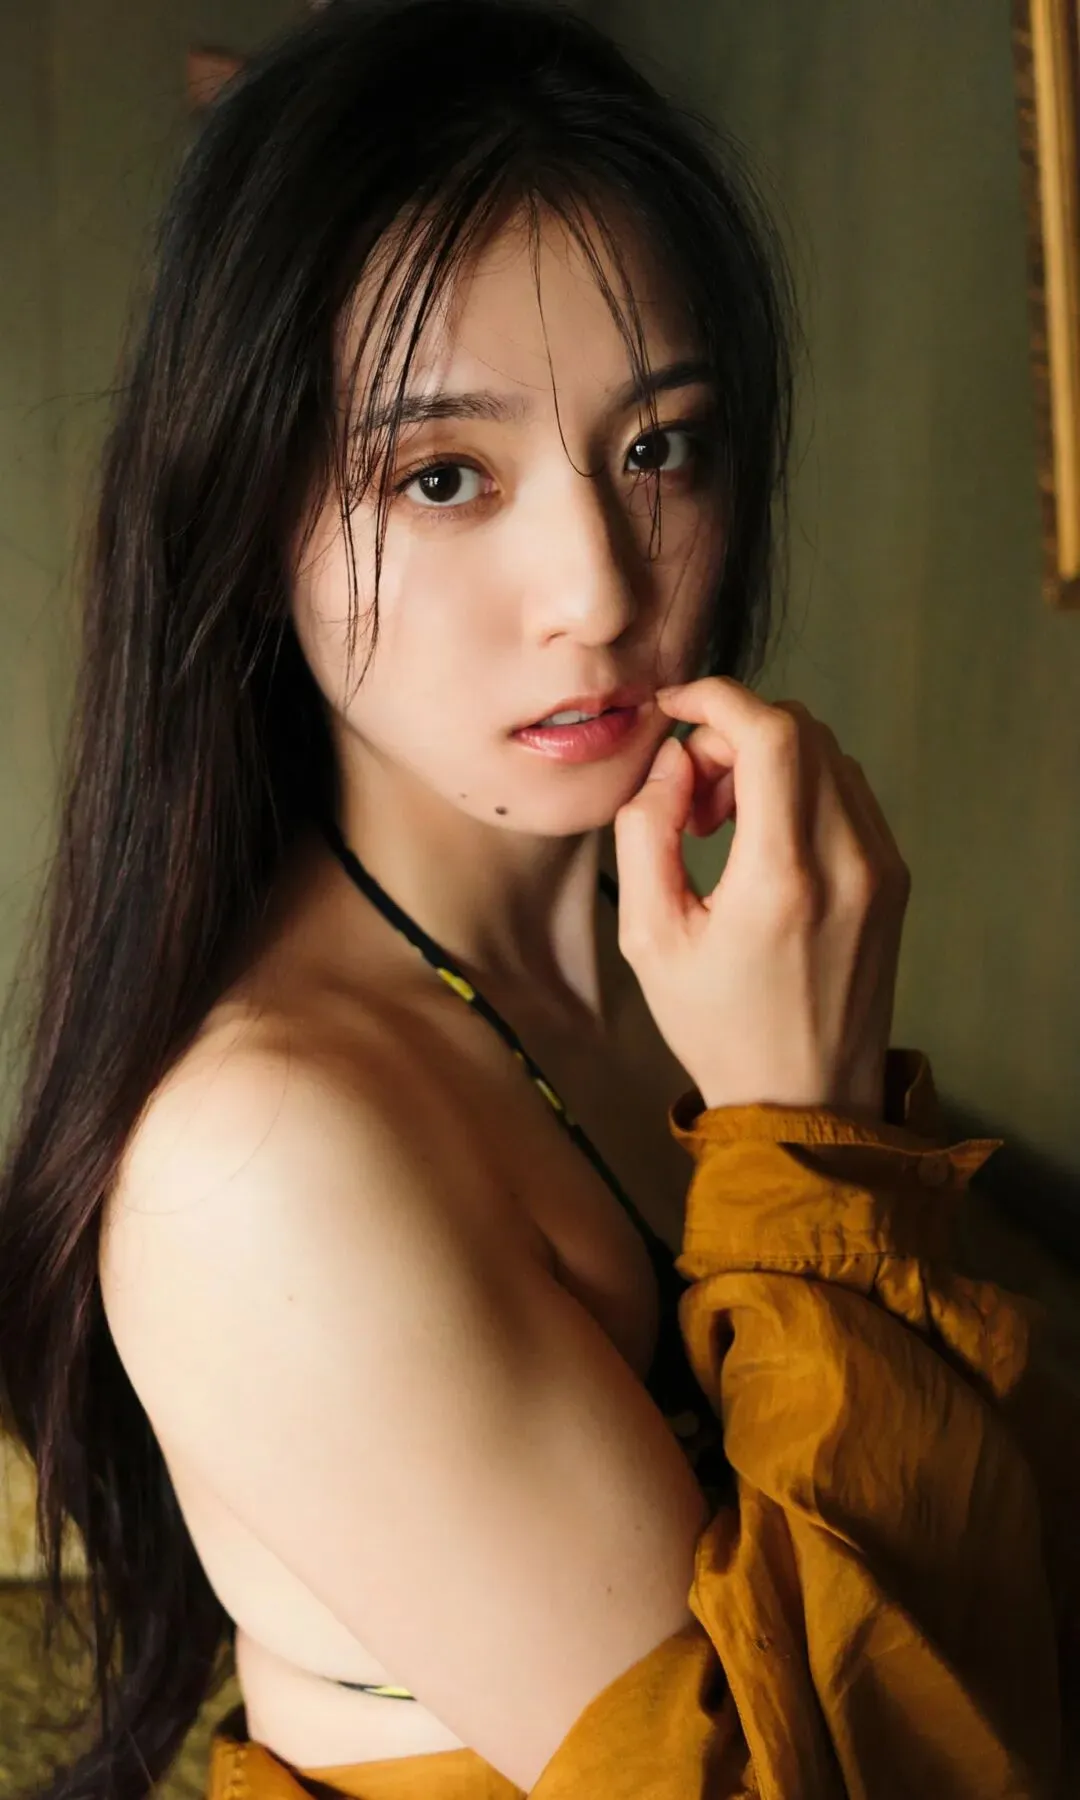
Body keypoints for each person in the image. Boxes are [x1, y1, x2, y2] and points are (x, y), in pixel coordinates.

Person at [0, 1, 1074, 1796]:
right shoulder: (267, 1153)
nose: (598, 589)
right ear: (245, 517)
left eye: (660, 448)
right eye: (444, 477)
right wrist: (806, 1143)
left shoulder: (669, 974)